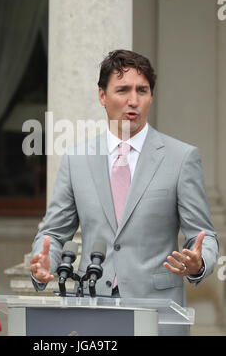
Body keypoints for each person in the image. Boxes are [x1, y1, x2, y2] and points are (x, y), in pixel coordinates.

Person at [30, 49, 219, 335]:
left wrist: (199, 262)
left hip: (158, 316)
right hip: (92, 315)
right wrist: (45, 261)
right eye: (123, 90)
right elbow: (54, 234)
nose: (133, 100)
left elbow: (204, 235)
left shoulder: (182, 157)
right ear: (102, 96)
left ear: (151, 97)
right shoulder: (76, 160)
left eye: (142, 90)